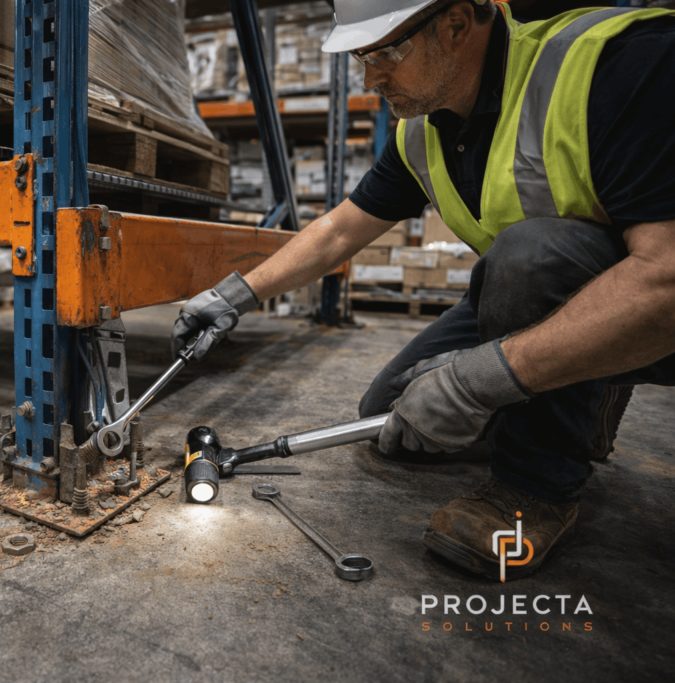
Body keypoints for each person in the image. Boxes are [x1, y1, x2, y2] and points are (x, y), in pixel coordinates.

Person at [171, 0, 675, 580]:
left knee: (528, 256)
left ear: (457, 24)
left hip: (638, 300)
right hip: (547, 294)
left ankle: (533, 489)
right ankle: (582, 391)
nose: (370, 77)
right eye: (362, 57)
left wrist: (477, 378)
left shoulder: (616, 65)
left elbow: (664, 279)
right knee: (395, 418)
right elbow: (339, 229)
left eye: (385, 52)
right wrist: (233, 297)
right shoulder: (426, 130)